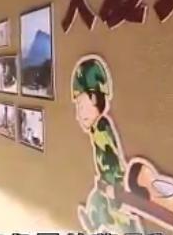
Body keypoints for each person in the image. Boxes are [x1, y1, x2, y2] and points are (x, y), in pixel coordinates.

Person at [71, 56, 142, 234]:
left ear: (95, 99)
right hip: (105, 182)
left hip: (114, 183)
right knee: (97, 201)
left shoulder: (102, 128)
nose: (78, 115)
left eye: (81, 106)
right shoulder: (97, 129)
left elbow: (113, 160)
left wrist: (115, 185)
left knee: (121, 218)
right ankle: (93, 221)